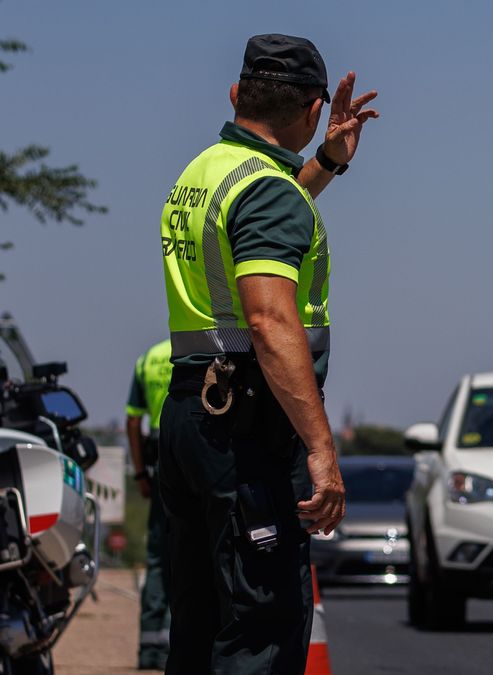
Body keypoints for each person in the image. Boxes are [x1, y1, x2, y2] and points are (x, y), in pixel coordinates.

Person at [157, 33, 377, 674]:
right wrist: (321, 449)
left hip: (191, 417)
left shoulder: (206, 171)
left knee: (198, 625)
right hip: (247, 430)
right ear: (313, 112)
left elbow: (266, 213)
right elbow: (270, 319)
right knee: (261, 629)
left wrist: (328, 161)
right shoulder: (269, 192)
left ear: (236, 95)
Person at [125, 338, 173, 670]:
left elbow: (132, 422)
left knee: (157, 557)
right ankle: (177, 645)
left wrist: (140, 472)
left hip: (157, 462)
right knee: (189, 553)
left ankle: (148, 649)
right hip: (190, 454)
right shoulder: (201, 350)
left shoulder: (148, 359)